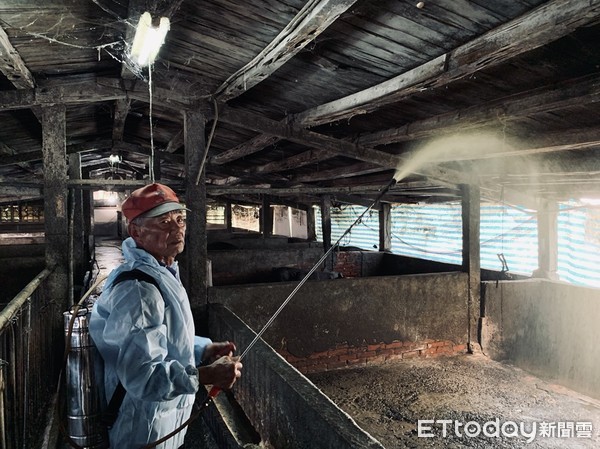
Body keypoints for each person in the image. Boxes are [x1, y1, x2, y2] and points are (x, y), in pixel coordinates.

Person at [89, 183, 242, 449]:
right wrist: (206, 375)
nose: (177, 228)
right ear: (136, 231)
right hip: (142, 424)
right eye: (164, 222)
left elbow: (163, 335)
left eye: (180, 219)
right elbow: (143, 375)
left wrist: (203, 348)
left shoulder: (162, 272)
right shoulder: (138, 290)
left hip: (163, 416)